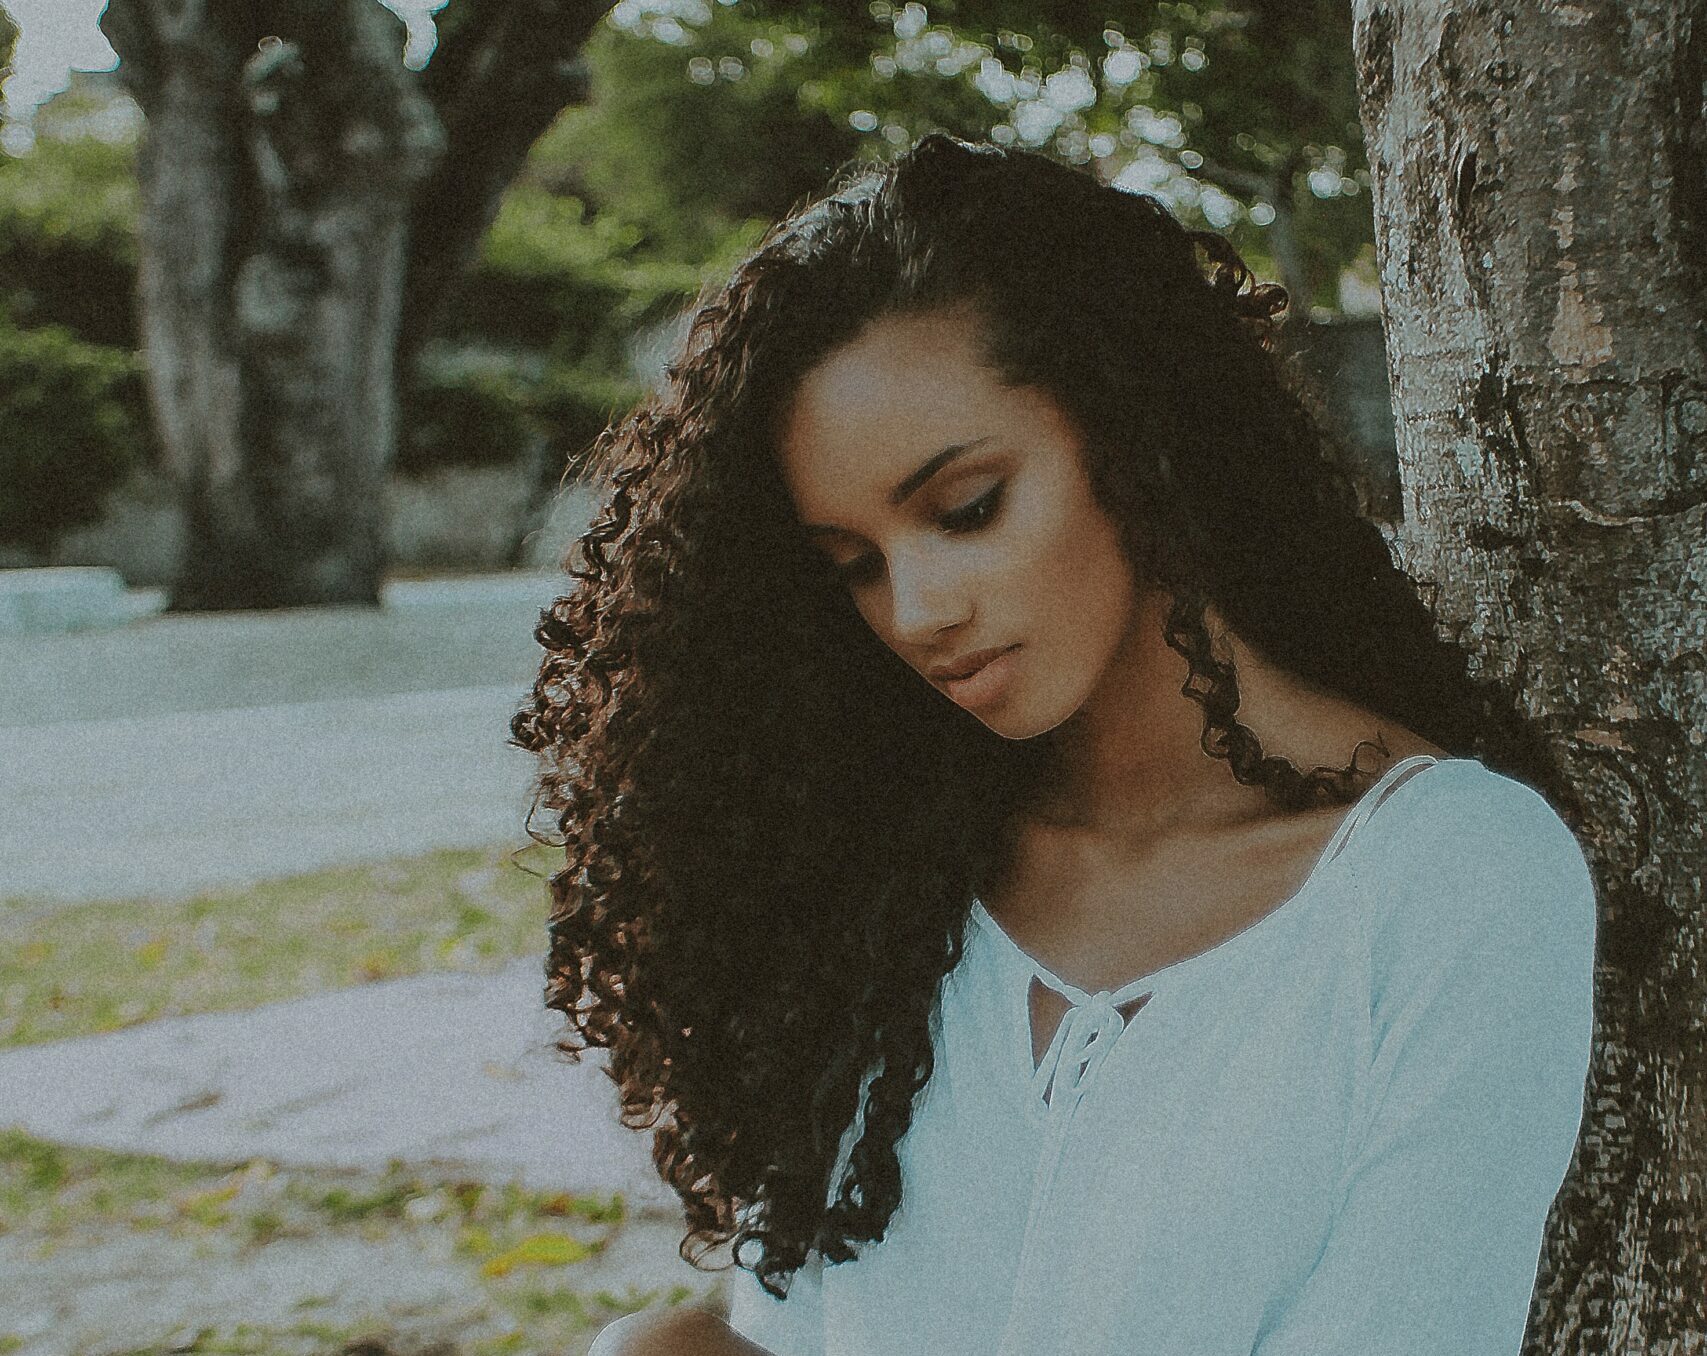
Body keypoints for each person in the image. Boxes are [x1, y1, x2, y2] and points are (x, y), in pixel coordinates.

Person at [511, 133, 1598, 1356]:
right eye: (855, 565)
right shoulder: (890, 872)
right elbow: (799, 1328)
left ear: (1139, 431)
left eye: (967, 509)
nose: (917, 611)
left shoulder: (1457, 882)